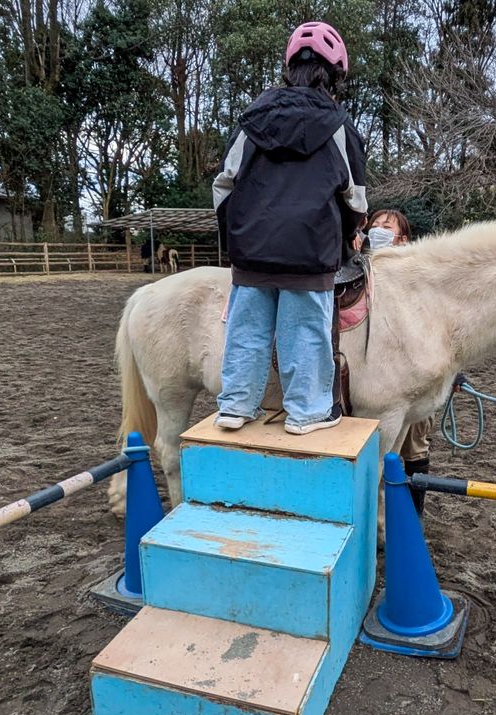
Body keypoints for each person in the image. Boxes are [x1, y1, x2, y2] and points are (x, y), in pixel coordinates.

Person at [212, 21, 367, 435]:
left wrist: (236, 237)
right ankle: (309, 412)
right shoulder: (339, 127)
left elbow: (223, 185)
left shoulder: (250, 121)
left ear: (288, 68)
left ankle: (235, 406)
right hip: (310, 254)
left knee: (246, 330)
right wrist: (344, 238)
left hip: (251, 253)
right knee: (305, 334)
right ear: (334, 75)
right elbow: (355, 198)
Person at [367, 208, 432, 515]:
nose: (378, 230)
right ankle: (387, 514)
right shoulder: (361, 269)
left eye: (386, 227)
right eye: (375, 225)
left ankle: (412, 515)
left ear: (403, 240)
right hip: (382, 378)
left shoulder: (418, 278)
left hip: (419, 373)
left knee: (415, 445)